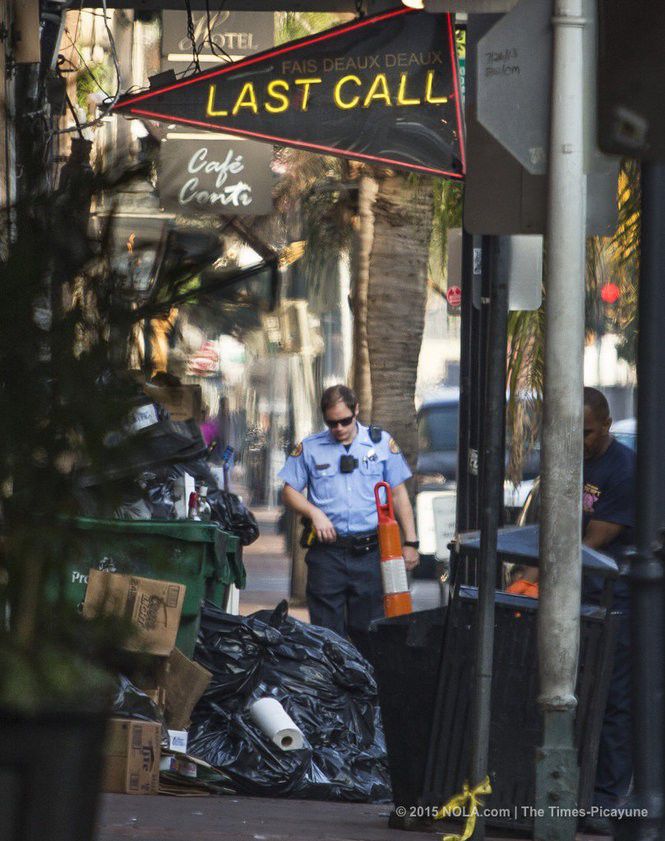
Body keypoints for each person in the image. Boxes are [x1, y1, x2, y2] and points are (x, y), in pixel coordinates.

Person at [278, 384, 419, 655]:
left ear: (356, 411)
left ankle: (367, 692)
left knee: (369, 632)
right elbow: (289, 492)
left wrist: (411, 541)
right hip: (327, 554)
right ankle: (333, 695)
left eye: (345, 421)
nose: (339, 428)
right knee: (326, 636)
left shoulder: (380, 444)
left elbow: (399, 493)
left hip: (369, 553)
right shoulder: (310, 448)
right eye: (332, 423)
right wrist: (314, 513)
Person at [581, 387, 635, 829]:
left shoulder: (621, 469)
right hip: (580, 597)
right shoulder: (569, 461)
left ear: (606, 427)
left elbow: (594, 541)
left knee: (613, 698)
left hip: (613, 599)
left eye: (587, 433)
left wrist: (537, 579)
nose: (579, 441)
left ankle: (608, 798)